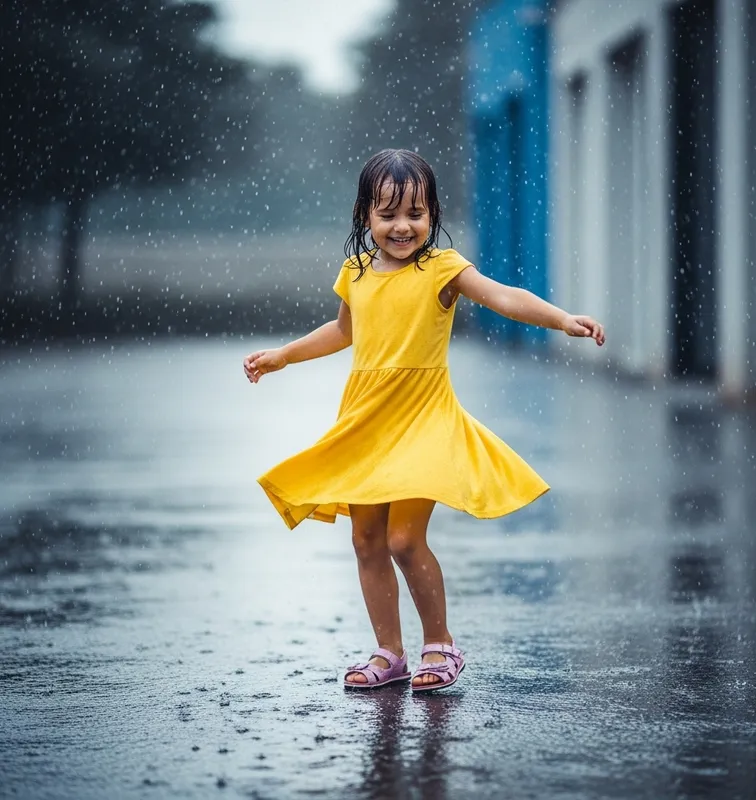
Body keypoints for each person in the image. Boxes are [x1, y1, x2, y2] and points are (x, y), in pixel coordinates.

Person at [243, 149, 605, 693]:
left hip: (422, 419)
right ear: (366, 215)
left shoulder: (444, 269)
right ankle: (389, 652)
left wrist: (561, 320)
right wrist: (284, 355)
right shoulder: (356, 272)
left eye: (415, 212)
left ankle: (441, 644)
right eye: (387, 214)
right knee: (366, 539)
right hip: (366, 421)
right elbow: (344, 331)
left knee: (404, 540)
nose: (402, 226)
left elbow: (503, 297)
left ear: (432, 213)